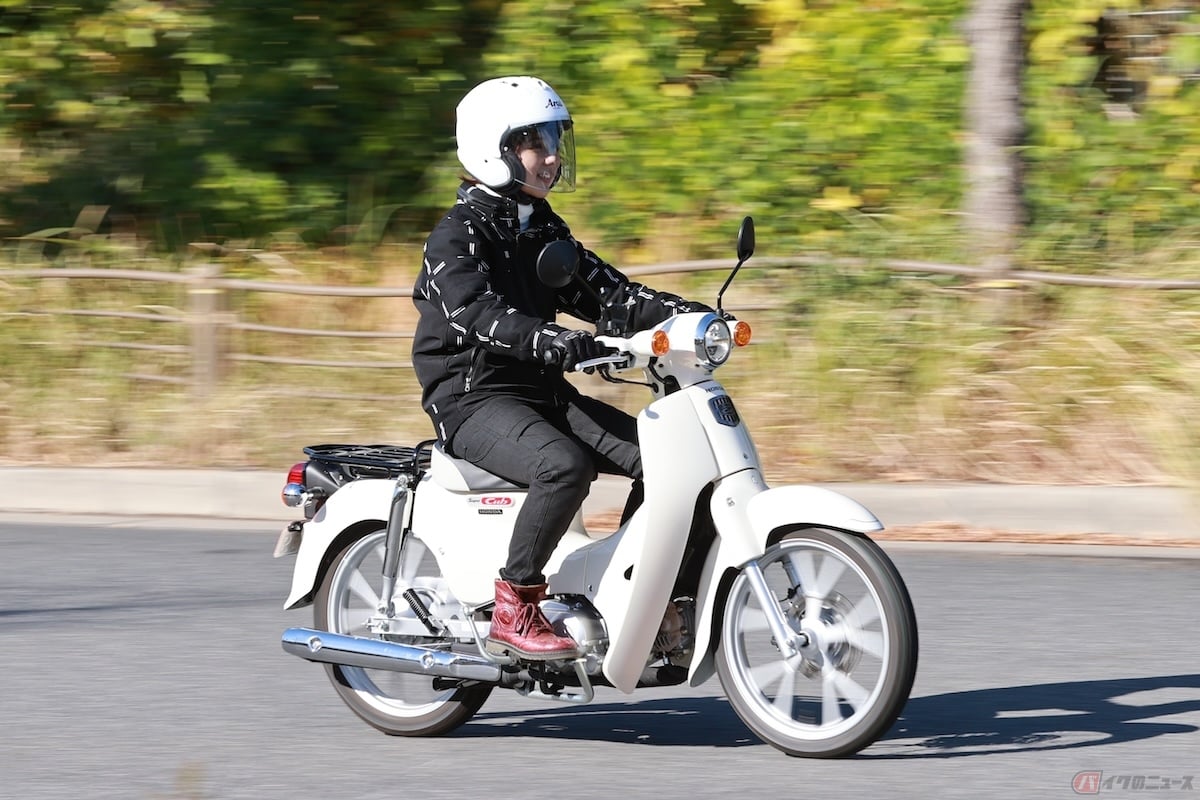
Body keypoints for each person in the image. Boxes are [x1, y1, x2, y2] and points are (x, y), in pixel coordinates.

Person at [411, 76, 708, 661]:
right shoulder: (456, 234)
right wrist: (554, 340)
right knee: (563, 466)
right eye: (533, 142)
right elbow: (474, 312)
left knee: (668, 458)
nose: (550, 156)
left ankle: (648, 600)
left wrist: (692, 318)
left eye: (553, 140)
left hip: (538, 388)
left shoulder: (541, 226)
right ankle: (515, 604)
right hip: (471, 398)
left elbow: (609, 297)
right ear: (490, 147)